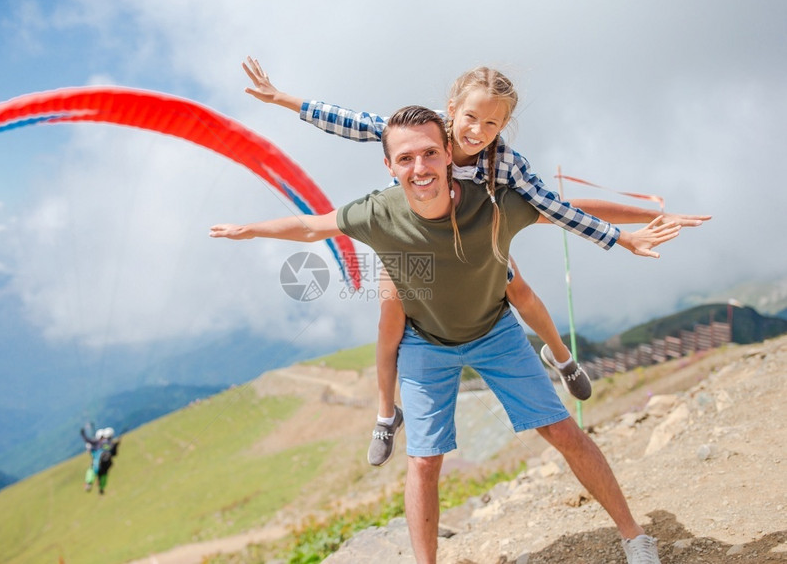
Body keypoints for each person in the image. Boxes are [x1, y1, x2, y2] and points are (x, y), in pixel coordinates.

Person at [209, 106, 702, 563]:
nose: (419, 167)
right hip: (425, 345)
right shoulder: (376, 213)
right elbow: (311, 226)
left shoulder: (495, 205)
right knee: (424, 462)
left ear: (448, 153)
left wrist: (649, 217)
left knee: (562, 431)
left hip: (496, 331)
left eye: (429, 153)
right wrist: (251, 230)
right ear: (389, 165)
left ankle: (635, 536)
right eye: (405, 158)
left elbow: (568, 209)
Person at [241, 58, 711, 467]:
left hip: (474, 242)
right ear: (452, 111)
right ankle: (387, 414)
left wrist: (623, 236)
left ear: (503, 126)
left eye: (492, 124)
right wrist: (280, 98)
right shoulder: (425, 133)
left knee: (517, 289)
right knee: (390, 319)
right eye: (470, 118)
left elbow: (557, 206)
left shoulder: (505, 163)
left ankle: (561, 358)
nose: (477, 132)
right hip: (413, 240)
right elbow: (349, 120)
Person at [80, 426, 120, 495]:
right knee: (104, 475)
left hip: (97, 464)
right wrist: (116, 445)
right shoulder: (111, 444)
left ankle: (89, 483)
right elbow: (114, 454)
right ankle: (101, 488)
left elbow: (88, 441)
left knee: (91, 470)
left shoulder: (98, 442)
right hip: (106, 467)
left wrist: (83, 434)